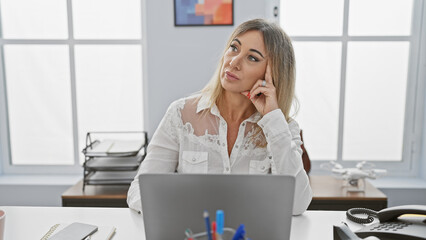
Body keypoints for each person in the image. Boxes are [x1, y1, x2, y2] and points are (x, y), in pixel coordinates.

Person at [127, 18, 312, 215]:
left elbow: (297, 205)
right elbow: (139, 191)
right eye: (234, 48)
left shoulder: (282, 127)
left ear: (273, 74)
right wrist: (184, 212)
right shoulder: (181, 114)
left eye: (252, 58)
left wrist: (273, 118)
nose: (234, 62)